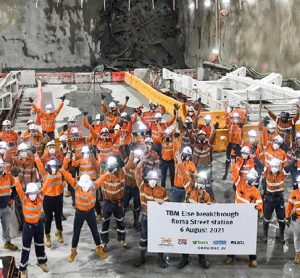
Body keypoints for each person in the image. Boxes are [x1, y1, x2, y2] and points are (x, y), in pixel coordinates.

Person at [59, 171, 108, 263]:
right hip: (79, 213)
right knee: (76, 233)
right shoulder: (76, 186)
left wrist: (109, 172)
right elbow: (68, 176)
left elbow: (101, 179)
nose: (85, 188)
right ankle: (73, 251)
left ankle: (99, 248)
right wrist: (61, 169)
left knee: (95, 232)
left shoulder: (93, 186)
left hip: (90, 213)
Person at [224, 169, 263, 267]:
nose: (249, 180)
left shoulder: (256, 192)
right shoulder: (240, 184)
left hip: (247, 219)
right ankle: (230, 256)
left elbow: (259, 205)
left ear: (254, 181)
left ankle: (253, 259)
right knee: (233, 236)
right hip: (236, 216)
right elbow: (235, 173)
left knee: (249, 238)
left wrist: (258, 210)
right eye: (248, 178)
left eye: (251, 179)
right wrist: (236, 164)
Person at [134, 165, 169, 268]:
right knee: (143, 238)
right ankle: (142, 257)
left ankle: (160, 258)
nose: (152, 181)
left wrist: (163, 201)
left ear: (157, 180)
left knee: (159, 238)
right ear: (148, 180)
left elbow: (168, 203)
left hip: (158, 219)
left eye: (154, 179)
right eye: (151, 179)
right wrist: (140, 162)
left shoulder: (162, 190)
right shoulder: (142, 187)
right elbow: (137, 174)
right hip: (146, 217)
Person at [13, 176, 49, 278]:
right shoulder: (24, 199)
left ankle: (42, 262)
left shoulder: (40, 196)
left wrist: (51, 173)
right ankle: (23, 269)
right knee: (26, 247)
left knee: (40, 244)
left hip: (38, 225)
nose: (33, 195)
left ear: (37, 192)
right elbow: (18, 188)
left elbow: (46, 185)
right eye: (30, 193)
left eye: (35, 193)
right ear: (27, 193)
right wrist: (16, 178)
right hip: (28, 227)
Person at [177, 171, 211, 269]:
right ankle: (184, 258)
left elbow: (210, 212)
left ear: (205, 183)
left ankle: (202, 258)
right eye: (199, 179)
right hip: (187, 221)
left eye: (202, 180)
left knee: (201, 240)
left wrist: (209, 206)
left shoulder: (206, 195)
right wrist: (179, 160)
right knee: (185, 240)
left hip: (199, 223)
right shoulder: (189, 190)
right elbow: (183, 175)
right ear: (196, 180)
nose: (200, 181)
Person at [94, 157, 127, 249]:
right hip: (107, 202)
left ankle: (122, 239)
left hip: (118, 202)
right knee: (105, 222)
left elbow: (123, 182)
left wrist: (116, 172)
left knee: (120, 221)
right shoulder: (104, 173)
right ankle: (104, 241)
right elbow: (97, 168)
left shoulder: (120, 173)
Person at [35, 156, 65, 248]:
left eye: (55, 167)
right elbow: (39, 165)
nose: (53, 169)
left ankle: (59, 232)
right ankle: (47, 236)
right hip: (48, 199)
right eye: (51, 167)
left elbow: (66, 165)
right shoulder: (44, 174)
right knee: (48, 219)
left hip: (58, 198)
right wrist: (36, 155)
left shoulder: (60, 172)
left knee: (58, 217)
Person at [0, 159, 18, 251]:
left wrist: (11, 199)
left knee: (6, 226)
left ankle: (7, 242)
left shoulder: (8, 175)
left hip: (6, 206)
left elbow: (14, 190)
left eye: (1, 166)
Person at [192, 130, 215, 198]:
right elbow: (194, 160)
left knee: (208, 183)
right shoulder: (196, 147)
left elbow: (210, 153)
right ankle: (198, 197)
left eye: (203, 137)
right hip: (200, 168)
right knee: (200, 183)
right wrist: (194, 169)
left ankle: (210, 196)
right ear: (198, 138)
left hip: (207, 167)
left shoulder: (208, 145)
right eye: (200, 137)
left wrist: (210, 162)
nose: (202, 138)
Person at [123, 151, 142, 230]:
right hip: (127, 188)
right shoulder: (127, 163)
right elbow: (122, 152)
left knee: (137, 206)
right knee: (123, 204)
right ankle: (120, 222)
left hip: (137, 188)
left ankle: (136, 222)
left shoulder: (141, 167)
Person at [223, 112, 243, 180]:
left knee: (239, 160)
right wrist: (226, 110)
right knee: (228, 159)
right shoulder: (230, 125)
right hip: (231, 144)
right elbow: (227, 119)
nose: (235, 119)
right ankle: (226, 173)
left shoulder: (239, 127)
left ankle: (238, 173)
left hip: (237, 145)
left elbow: (239, 138)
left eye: (237, 118)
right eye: (234, 118)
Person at [286, 175, 300, 264]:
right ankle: (297, 253)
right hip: (296, 219)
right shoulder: (294, 193)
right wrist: (287, 217)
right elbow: (289, 206)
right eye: (299, 182)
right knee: (297, 237)